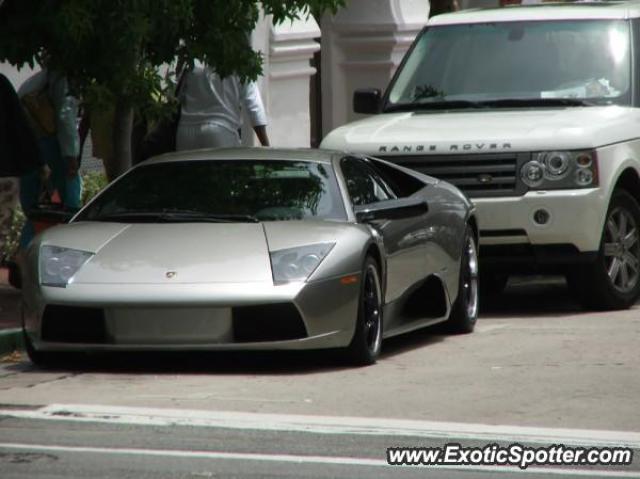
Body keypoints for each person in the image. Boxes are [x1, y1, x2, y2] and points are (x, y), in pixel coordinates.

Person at [17, 68, 82, 249]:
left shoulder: (33, 82)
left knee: (34, 211)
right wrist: (70, 157)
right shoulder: (63, 79)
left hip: (27, 147)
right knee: (69, 207)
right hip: (52, 147)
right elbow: (66, 119)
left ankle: (26, 253)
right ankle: (67, 249)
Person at [176, 60, 270, 150]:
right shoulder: (241, 61)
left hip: (185, 131)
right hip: (220, 130)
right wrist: (266, 146)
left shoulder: (193, 57)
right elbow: (254, 107)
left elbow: (176, 92)